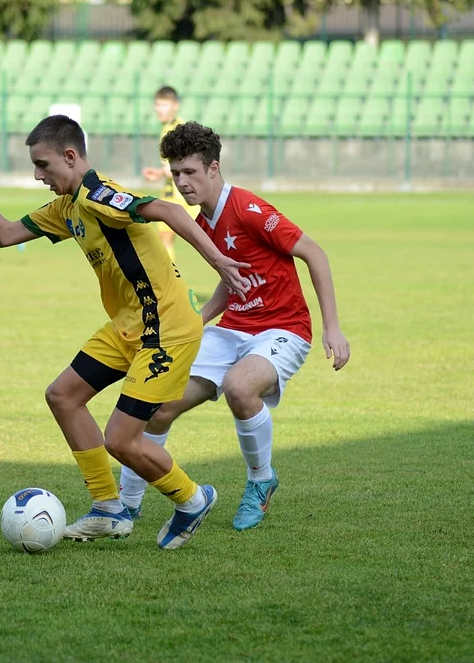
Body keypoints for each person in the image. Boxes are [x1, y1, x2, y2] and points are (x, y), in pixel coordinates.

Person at [0, 115, 252, 550]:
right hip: (127, 326)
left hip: (166, 329)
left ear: (70, 157)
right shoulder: (68, 207)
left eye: (43, 164)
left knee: (121, 440)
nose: (37, 175)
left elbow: (164, 209)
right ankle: (108, 508)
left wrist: (218, 261)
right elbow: (5, 233)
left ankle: (192, 498)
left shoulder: (98, 195)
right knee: (62, 396)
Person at [119, 121, 351, 531]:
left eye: (190, 172)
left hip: (284, 328)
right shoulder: (204, 222)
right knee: (157, 407)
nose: (183, 182)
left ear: (213, 168)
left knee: (240, 387)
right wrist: (201, 318)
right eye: (176, 174)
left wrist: (333, 327)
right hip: (233, 330)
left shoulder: (248, 208)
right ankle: (126, 506)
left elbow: (315, 253)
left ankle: (261, 482)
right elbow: (234, 281)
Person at [141, 86, 199, 262]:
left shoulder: (178, 130)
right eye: (158, 105)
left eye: (164, 105)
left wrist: (160, 173)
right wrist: (160, 172)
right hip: (172, 192)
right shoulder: (167, 127)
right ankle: (169, 284)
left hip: (181, 194)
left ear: (175, 105)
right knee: (165, 239)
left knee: (209, 240)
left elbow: (183, 163)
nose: (159, 109)